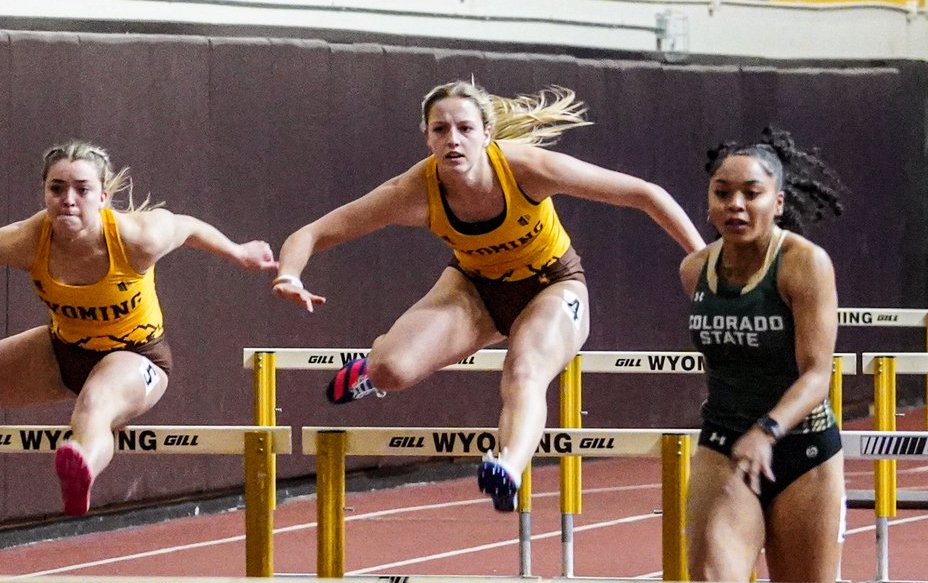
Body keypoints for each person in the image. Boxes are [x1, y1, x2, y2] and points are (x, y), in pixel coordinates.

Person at [273, 79, 705, 511]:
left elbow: (647, 194)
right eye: (440, 130)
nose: (453, 140)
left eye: (465, 128)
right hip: (474, 288)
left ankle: (508, 466)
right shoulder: (412, 192)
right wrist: (290, 275)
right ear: (426, 137)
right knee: (393, 371)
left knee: (525, 371)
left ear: (487, 134)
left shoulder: (526, 168)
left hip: (551, 284)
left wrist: (705, 261)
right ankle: (372, 367)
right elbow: (311, 233)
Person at [669, 128, 845, 583]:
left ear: (778, 199)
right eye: (723, 192)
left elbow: (817, 373)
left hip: (799, 450)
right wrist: (743, 436)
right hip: (724, 450)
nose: (736, 203)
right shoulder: (695, 271)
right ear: (709, 201)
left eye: (751, 192)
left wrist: (769, 431)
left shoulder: (804, 265)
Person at [0, 141, 277, 517]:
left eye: (82, 190)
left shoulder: (138, 237)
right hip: (63, 348)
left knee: (95, 405)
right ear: (44, 193)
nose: (68, 199)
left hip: (136, 356)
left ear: (103, 197)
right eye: (57, 188)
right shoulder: (24, 241)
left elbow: (188, 227)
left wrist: (237, 251)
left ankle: (81, 468)